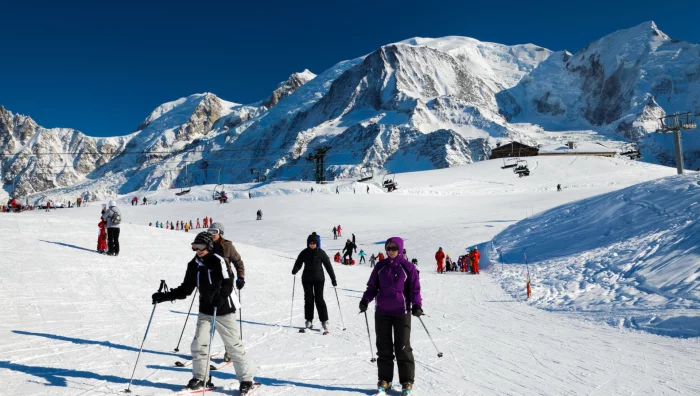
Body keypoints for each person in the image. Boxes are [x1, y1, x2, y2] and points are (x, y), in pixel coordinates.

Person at [151, 232, 256, 393]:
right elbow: (185, 290)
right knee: (199, 345)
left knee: (233, 346)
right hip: (205, 310)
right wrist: (164, 297)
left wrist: (220, 297)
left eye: (200, 247)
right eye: (194, 247)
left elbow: (228, 283)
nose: (197, 250)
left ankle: (246, 380)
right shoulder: (193, 265)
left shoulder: (218, 261)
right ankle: (201, 378)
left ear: (209, 246)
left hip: (224, 309)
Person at [359, 237, 422, 395]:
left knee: (403, 347)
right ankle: (385, 379)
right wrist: (366, 299)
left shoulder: (407, 267)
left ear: (400, 248)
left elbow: (415, 289)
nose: (391, 250)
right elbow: (372, 286)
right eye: (389, 248)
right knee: (384, 347)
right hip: (382, 312)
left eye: (394, 248)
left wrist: (417, 305)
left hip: (402, 312)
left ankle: (406, 381)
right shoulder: (380, 266)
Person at [208, 222, 246, 363]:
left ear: (220, 233)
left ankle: (230, 350)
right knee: (208, 318)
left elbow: (238, 262)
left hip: (225, 285)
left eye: (214, 231)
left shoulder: (228, 246)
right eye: (210, 231)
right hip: (210, 284)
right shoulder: (207, 245)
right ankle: (204, 349)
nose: (212, 234)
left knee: (226, 318)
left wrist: (241, 277)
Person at [292, 234, 337, 332]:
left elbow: (328, 266)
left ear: (317, 243)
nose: (312, 245)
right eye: (310, 243)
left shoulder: (321, 253)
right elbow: (299, 262)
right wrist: (295, 269)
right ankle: (309, 320)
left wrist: (333, 278)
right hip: (306, 279)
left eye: (314, 243)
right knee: (308, 299)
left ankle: (324, 321)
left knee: (319, 299)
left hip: (319, 279)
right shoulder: (304, 252)